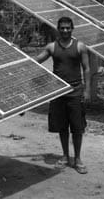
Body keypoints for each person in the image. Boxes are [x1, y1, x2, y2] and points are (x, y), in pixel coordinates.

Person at [34, 16, 91, 174]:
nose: (65, 30)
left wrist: (87, 90)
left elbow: (86, 68)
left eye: (68, 27)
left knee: (77, 128)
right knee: (62, 127)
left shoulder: (80, 46)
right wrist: (17, 57)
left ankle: (77, 159)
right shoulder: (52, 47)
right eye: (62, 28)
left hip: (75, 91)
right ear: (58, 29)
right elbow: (36, 60)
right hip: (58, 91)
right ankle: (65, 156)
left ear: (72, 29)